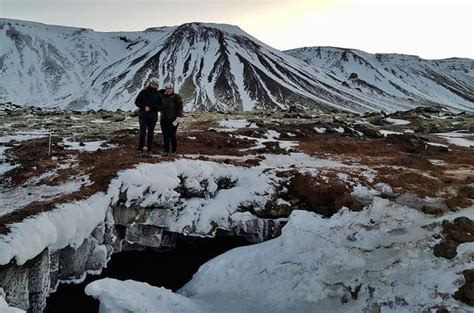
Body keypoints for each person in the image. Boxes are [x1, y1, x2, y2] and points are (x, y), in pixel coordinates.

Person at [135, 77, 163, 156]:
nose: (155, 86)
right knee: (142, 133)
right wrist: (144, 107)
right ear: (150, 84)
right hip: (143, 116)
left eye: (156, 84)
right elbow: (137, 102)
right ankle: (140, 150)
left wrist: (153, 107)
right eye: (153, 84)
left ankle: (149, 150)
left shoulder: (158, 94)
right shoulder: (143, 92)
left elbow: (161, 106)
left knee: (151, 133)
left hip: (153, 116)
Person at [160, 82, 183, 154]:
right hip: (163, 119)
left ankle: (173, 150)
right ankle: (166, 150)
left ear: (172, 89)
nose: (168, 90)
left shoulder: (176, 97)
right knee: (165, 134)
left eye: (169, 89)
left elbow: (180, 107)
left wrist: (179, 117)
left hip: (173, 119)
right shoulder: (162, 96)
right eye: (166, 89)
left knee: (172, 134)